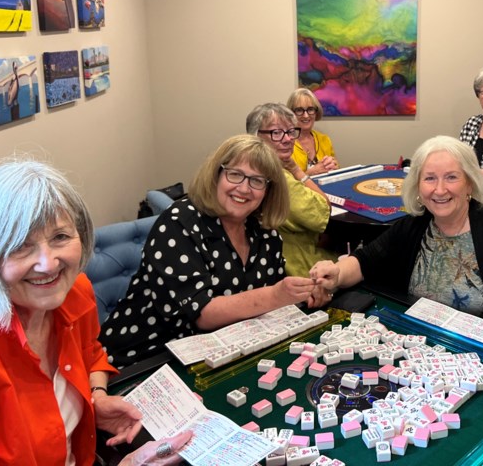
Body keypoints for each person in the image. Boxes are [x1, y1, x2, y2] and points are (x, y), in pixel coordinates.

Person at [0, 158, 192, 466]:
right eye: (20, 246)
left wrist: (96, 397)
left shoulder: (73, 292)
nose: (48, 264)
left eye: (60, 237)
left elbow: (91, 355)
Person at [310, 135, 483, 362]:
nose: (439, 190)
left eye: (451, 177)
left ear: (469, 182)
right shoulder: (412, 226)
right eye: (429, 179)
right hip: (422, 351)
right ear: (417, 186)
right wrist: (335, 273)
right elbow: (365, 261)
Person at [99, 135, 324, 368]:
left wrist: (306, 292)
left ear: (268, 190)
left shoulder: (266, 233)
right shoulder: (179, 222)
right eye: (235, 174)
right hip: (146, 358)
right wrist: (277, 296)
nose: (244, 188)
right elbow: (202, 313)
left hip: (220, 353)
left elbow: (271, 299)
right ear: (216, 175)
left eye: (257, 181)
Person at [247, 102, 338, 278]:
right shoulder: (280, 178)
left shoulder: (252, 164)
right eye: (277, 132)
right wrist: (296, 170)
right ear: (255, 136)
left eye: (290, 131)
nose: (288, 139)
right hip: (300, 270)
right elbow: (325, 210)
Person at [287, 87, 339, 176]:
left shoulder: (324, 140)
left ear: (316, 112)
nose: (306, 116)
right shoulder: (284, 142)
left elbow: (336, 173)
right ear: (291, 113)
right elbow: (284, 184)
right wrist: (309, 173)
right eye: (299, 110)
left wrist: (334, 167)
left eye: (310, 109)